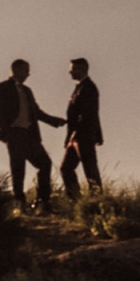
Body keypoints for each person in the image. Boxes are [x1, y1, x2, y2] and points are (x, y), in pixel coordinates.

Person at [0, 59, 65, 212]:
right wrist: (5, 132)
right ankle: (19, 203)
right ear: (16, 70)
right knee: (18, 168)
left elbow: (36, 112)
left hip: (29, 134)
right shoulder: (2, 87)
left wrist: (55, 121)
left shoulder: (27, 91)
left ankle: (42, 201)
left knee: (44, 163)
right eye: (26, 71)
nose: (28, 74)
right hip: (14, 133)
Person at [60, 57, 103, 200]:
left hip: (83, 136)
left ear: (82, 69)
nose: (70, 72)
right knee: (67, 168)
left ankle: (96, 198)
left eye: (73, 69)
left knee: (89, 168)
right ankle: (76, 199)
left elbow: (88, 114)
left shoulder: (88, 88)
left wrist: (75, 134)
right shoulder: (81, 87)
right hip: (78, 136)